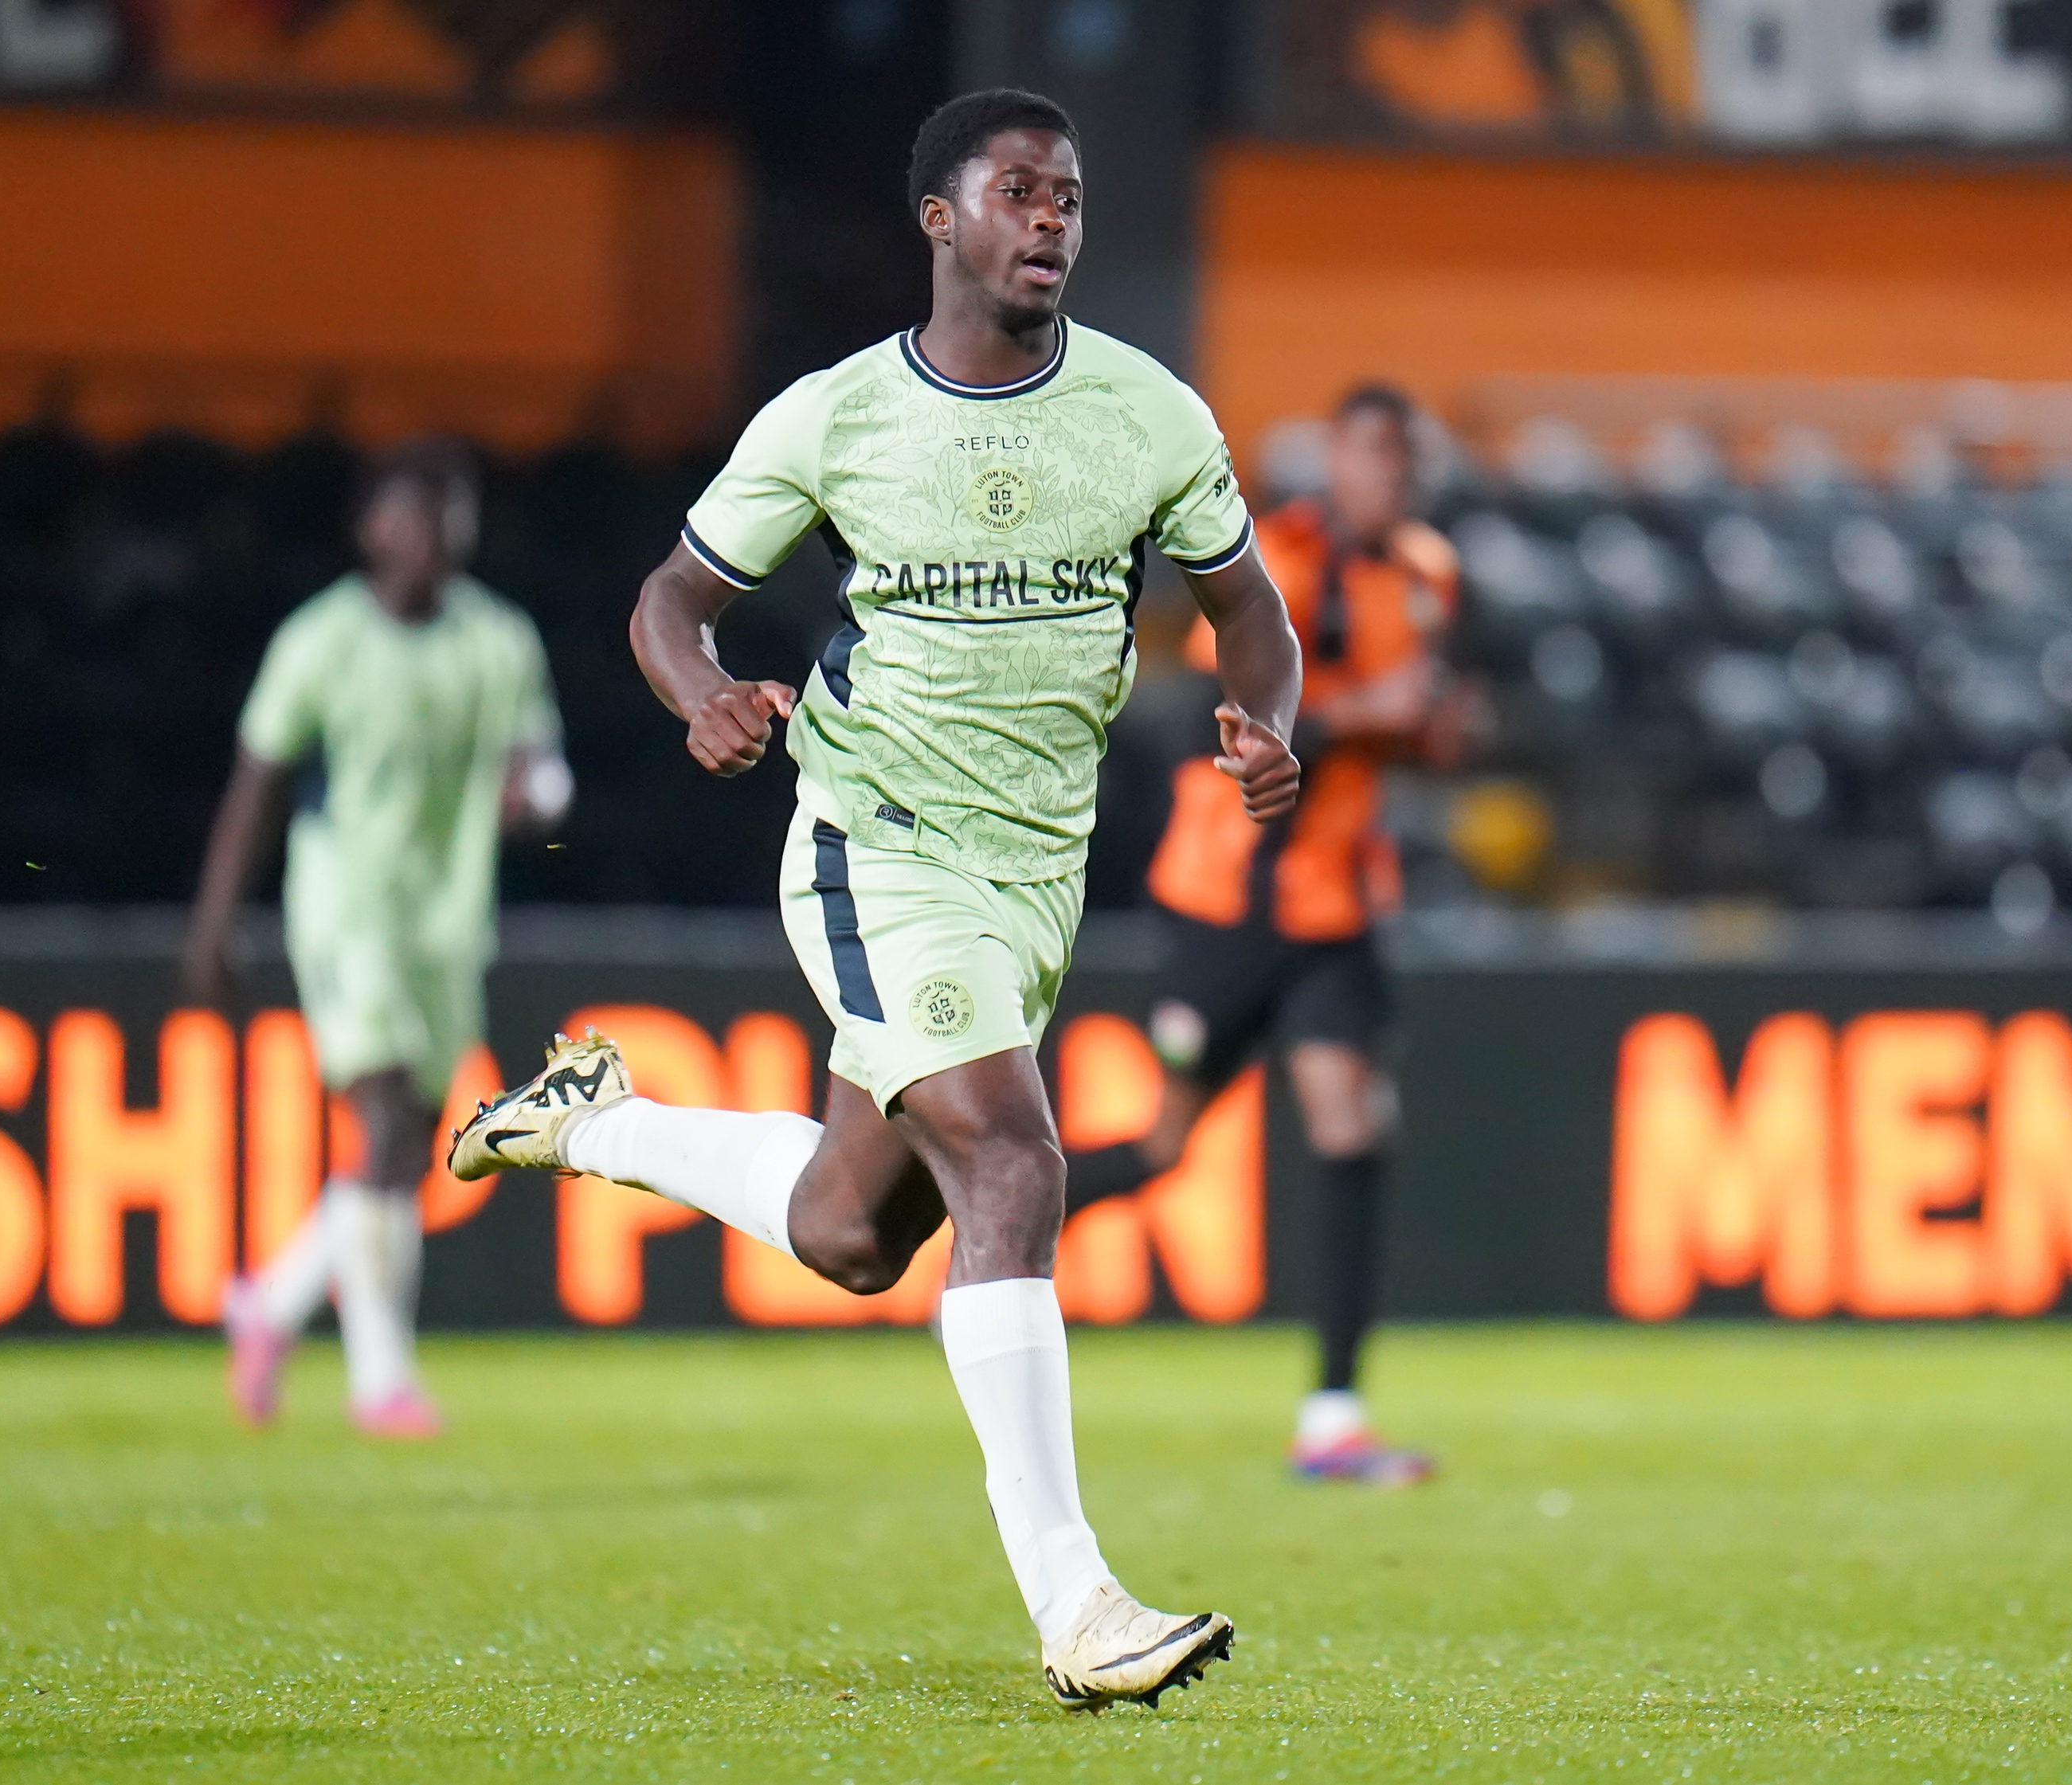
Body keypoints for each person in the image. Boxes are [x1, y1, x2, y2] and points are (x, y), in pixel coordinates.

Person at [447, 89, 1303, 1709]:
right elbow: (674, 598)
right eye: (1019, 193)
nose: (1053, 220)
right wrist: (699, 694)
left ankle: (594, 1123)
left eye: (1070, 197)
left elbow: (1250, 614)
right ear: (942, 217)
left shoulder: (1146, 413)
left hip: (1034, 872)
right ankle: (1079, 1604)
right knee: (1013, 1149)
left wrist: (1270, 719)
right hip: (878, 836)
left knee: (855, 1230)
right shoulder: (838, 416)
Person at [1063, 385, 1461, 1486]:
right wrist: (1359, 715)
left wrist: (1428, 734)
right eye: (1376, 454)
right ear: (1334, 459)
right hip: (1229, 900)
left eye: (1407, 457)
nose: (1396, 477)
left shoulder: (1427, 572)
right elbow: (1226, 725)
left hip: (1335, 903)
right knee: (1162, 1145)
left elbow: (1411, 723)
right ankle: (994, 1233)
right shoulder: (1271, 564)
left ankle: (1332, 1418)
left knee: (1350, 1129)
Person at [184, 438, 570, 1439]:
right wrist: (215, 921)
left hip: (444, 921)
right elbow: (256, 784)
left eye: (449, 516)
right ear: (370, 528)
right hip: (345, 905)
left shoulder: (499, 640)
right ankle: (380, 1380)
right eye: (412, 515)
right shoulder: (321, 641)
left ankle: (269, 1305)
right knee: (390, 1118)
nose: (432, 536)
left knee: (403, 1150)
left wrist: (534, 796)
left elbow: (536, 765)